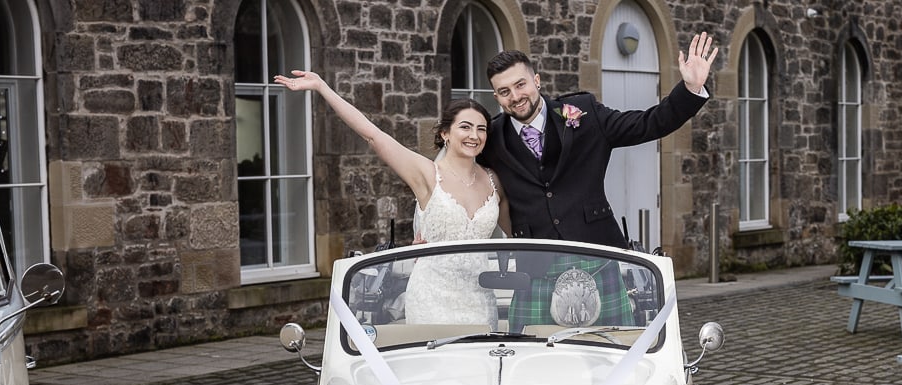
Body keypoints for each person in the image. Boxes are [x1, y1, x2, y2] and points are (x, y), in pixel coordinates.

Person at [478, 34, 719, 330]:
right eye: (504, 92)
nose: (515, 97)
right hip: (535, 268)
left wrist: (691, 89)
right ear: (495, 96)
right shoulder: (490, 138)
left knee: (610, 356)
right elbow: (460, 178)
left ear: (536, 81)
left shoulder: (584, 113)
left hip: (597, 256)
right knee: (532, 364)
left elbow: (648, 123)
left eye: (520, 85)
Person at [273, 70, 509, 327]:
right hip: (433, 299)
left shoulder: (493, 180)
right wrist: (322, 87)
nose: (474, 135)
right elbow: (373, 136)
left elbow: (517, 231)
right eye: (465, 127)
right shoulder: (427, 174)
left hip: (480, 301)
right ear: (445, 134)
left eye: (481, 129)